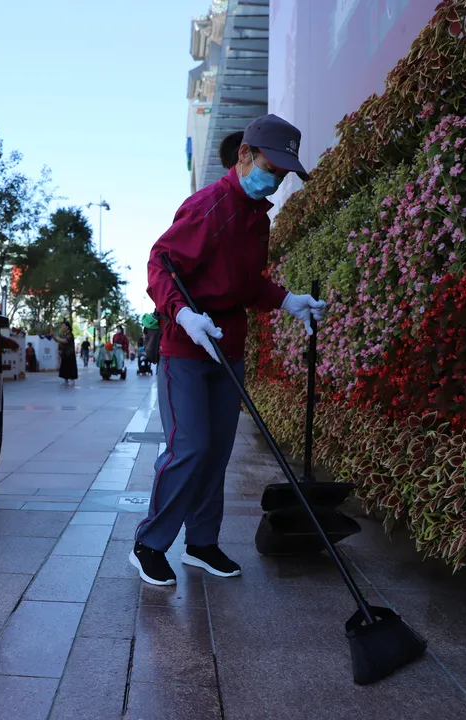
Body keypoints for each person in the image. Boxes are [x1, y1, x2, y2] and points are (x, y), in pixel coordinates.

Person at [131, 114, 327, 586]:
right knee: (190, 447)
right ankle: (149, 544)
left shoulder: (257, 218)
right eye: (269, 167)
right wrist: (182, 315)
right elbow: (160, 266)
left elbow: (244, 284)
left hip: (228, 349)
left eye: (281, 174)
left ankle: (201, 543)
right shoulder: (208, 207)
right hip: (187, 349)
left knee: (217, 452)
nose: (274, 180)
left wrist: (287, 300)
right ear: (244, 155)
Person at [54, 320, 78, 386]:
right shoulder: (63, 335)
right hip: (64, 353)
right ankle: (66, 380)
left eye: (63, 326)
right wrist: (53, 336)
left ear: (67, 327)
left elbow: (65, 341)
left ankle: (72, 380)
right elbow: (58, 340)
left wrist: (57, 337)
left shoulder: (70, 334)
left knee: (71, 367)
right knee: (64, 368)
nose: (62, 327)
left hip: (70, 353)